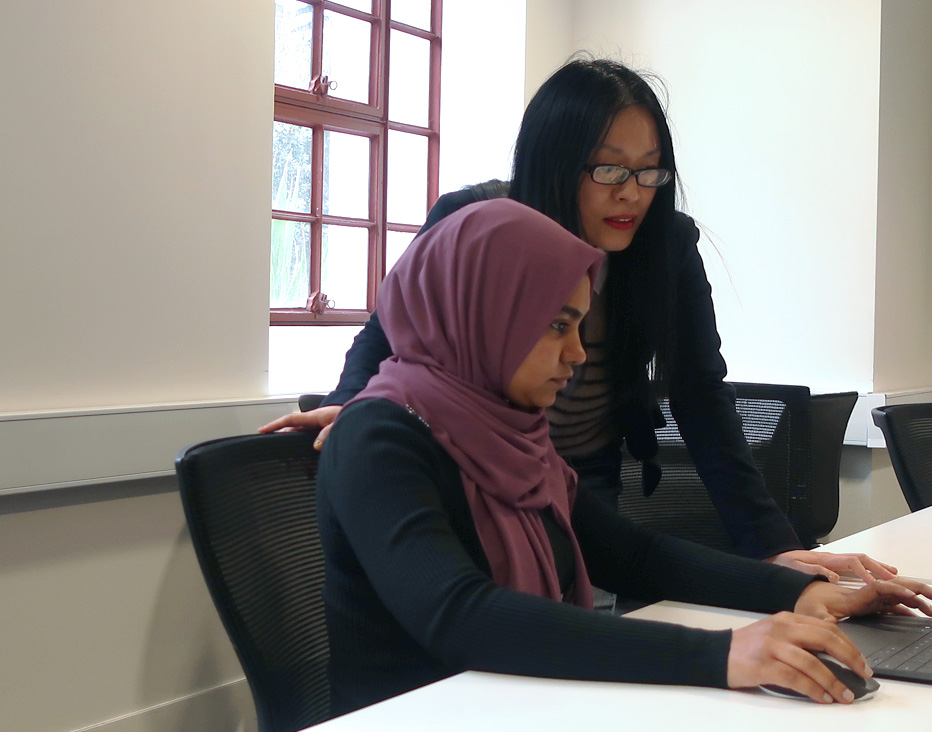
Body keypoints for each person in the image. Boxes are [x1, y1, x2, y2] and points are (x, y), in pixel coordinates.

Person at [265, 58, 894, 583]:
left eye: (650, 170)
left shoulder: (665, 245)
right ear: (556, 162)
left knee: (582, 604)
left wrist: (772, 551)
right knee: (490, 623)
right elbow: (391, 334)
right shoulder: (478, 224)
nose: (632, 192)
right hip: (467, 464)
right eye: (609, 168)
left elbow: (701, 395)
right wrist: (353, 409)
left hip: (579, 471)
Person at [316, 198, 932, 714]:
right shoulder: (380, 438)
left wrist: (797, 591)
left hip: (517, 704)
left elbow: (635, 557)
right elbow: (459, 616)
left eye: (580, 329)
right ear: (484, 314)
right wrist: (719, 655)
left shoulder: (511, 435)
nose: (578, 355)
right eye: (557, 327)